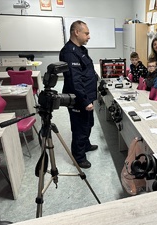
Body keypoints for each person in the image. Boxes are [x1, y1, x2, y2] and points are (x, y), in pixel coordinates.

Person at [59, 20, 98, 169]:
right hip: (78, 99)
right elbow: (75, 81)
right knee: (80, 127)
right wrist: (85, 101)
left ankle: (86, 145)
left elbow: (86, 71)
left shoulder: (81, 49)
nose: (89, 36)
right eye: (86, 33)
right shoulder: (69, 52)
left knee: (89, 123)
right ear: (76, 32)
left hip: (87, 96)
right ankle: (78, 157)